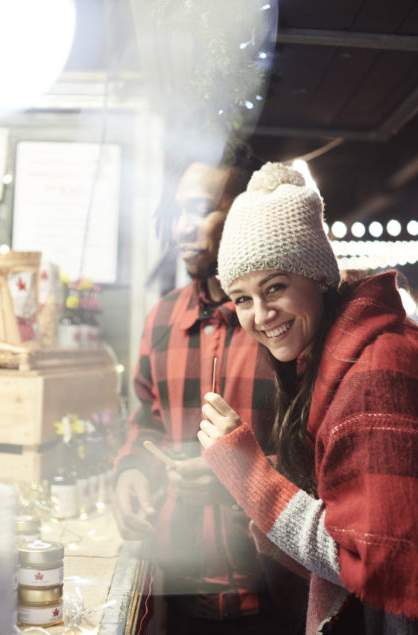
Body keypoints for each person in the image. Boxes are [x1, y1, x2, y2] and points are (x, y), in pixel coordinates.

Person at [197, 163, 418, 634]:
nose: (260, 314)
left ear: (316, 275)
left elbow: (374, 560)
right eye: (241, 298)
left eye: (274, 287)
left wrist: (248, 474)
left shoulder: (380, 369)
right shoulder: (337, 358)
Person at [112, 142, 305, 633]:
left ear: (242, 215)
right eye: (177, 212)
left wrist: (243, 478)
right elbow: (146, 419)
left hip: (278, 591)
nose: (181, 227)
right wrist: (131, 471)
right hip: (180, 587)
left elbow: (326, 458)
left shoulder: (282, 326)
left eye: (199, 212)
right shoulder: (162, 319)